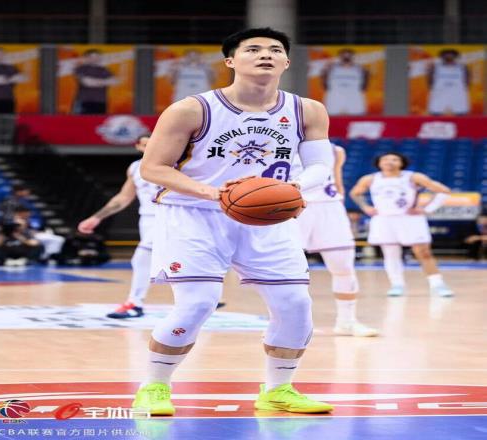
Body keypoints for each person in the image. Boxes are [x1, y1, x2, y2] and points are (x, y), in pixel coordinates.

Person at [134, 27, 335, 416]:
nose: (265, 54)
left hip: (267, 214)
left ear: (286, 61)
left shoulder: (307, 110)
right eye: (253, 49)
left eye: (274, 50)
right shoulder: (191, 109)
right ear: (230, 60)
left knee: (295, 304)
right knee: (198, 303)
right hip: (194, 213)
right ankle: (154, 386)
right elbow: (153, 168)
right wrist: (212, 193)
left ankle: (277, 390)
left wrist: (290, 189)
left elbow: (320, 166)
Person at [291, 145, 378, 337]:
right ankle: (283, 323)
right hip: (289, 205)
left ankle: (347, 322)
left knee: (343, 267)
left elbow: (338, 183)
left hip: (329, 207)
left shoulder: (336, 150)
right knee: (286, 269)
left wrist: (339, 206)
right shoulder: (277, 141)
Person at [350, 152, 454, 297]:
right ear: (379, 163)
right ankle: (397, 285)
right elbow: (355, 193)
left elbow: (444, 191)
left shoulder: (413, 177)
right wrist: (365, 207)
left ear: (401, 163)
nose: (389, 161)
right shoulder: (370, 179)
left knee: (423, 253)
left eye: (394, 159)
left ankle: (437, 284)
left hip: (410, 219)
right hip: (384, 220)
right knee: (390, 254)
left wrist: (427, 209)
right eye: (385, 159)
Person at [78, 135, 157, 318]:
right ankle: (201, 297)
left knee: (142, 257)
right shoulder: (135, 168)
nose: (149, 148)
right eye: (145, 145)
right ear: (138, 147)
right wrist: (96, 218)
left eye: (152, 143)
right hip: (147, 219)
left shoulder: (174, 163)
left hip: (170, 217)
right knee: (175, 260)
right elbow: (123, 197)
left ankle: (134, 304)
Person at [321, 48, 369, 115]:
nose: (346, 58)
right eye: (344, 56)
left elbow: (365, 84)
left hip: (354, 97)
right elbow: (324, 82)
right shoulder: (331, 68)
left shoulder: (360, 69)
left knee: (358, 116)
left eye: (349, 56)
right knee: (330, 116)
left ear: (352, 57)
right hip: (335, 97)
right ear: (340, 57)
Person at [72, 49, 119, 114]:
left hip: (101, 102)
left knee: (99, 120)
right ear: (86, 58)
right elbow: (87, 82)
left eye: (97, 57)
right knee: (80, 120)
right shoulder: (80, 69)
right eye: (92, 57)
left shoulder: (104, 70)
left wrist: (95, 81)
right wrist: (106, 81)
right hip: (83, 102)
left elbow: (115, 81)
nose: (95, 59)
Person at [427, 48, 470, 115]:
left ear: (455, 56)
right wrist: (433, 89)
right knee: (435, 115)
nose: (448, 55)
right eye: (446, 54)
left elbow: (467, 80)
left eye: (451, 54)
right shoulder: (435, 67)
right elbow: (430, 81)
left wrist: (462, 88)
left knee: (462, 115)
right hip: (439, 95)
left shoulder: (462, 67)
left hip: (457, 95)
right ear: (442, 56)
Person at [0, 47, 26, 113]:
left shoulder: (10, 67)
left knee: (8, 118)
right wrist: (12, 78)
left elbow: (23, 78)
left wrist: (3, 79)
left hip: (8, 99)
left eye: (0, 54)